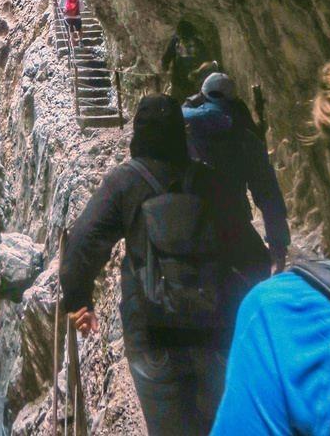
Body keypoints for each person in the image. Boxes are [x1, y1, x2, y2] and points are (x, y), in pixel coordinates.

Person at [61, 95, 265, 436]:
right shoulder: (212, 182)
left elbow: (81, 244)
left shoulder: (123, 183)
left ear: (137, 135)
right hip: (212, 331)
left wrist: (79, 303)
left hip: (150, 336)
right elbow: (256, 257)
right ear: (179, 133)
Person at [211, 47, 330, 435]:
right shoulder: (241, 131)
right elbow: (266, 190)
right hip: (240, 239)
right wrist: (278, 244)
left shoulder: (281, 319)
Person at [183, 72, 290, 275]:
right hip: (234, 219)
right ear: (233, 102)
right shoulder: (245, 139)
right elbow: (268, 195)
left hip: (189, 223)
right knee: (257, 267)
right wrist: (278, 248)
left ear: (202, 96)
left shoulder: (184, 129)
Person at [162, 21, 212, 102]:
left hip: (187, 82)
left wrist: (198, 71)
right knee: (192, 104)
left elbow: (165, 61)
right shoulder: (176, 42)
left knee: (179, 105)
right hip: (187, 82)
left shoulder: (174, 42)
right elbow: (208, 61)